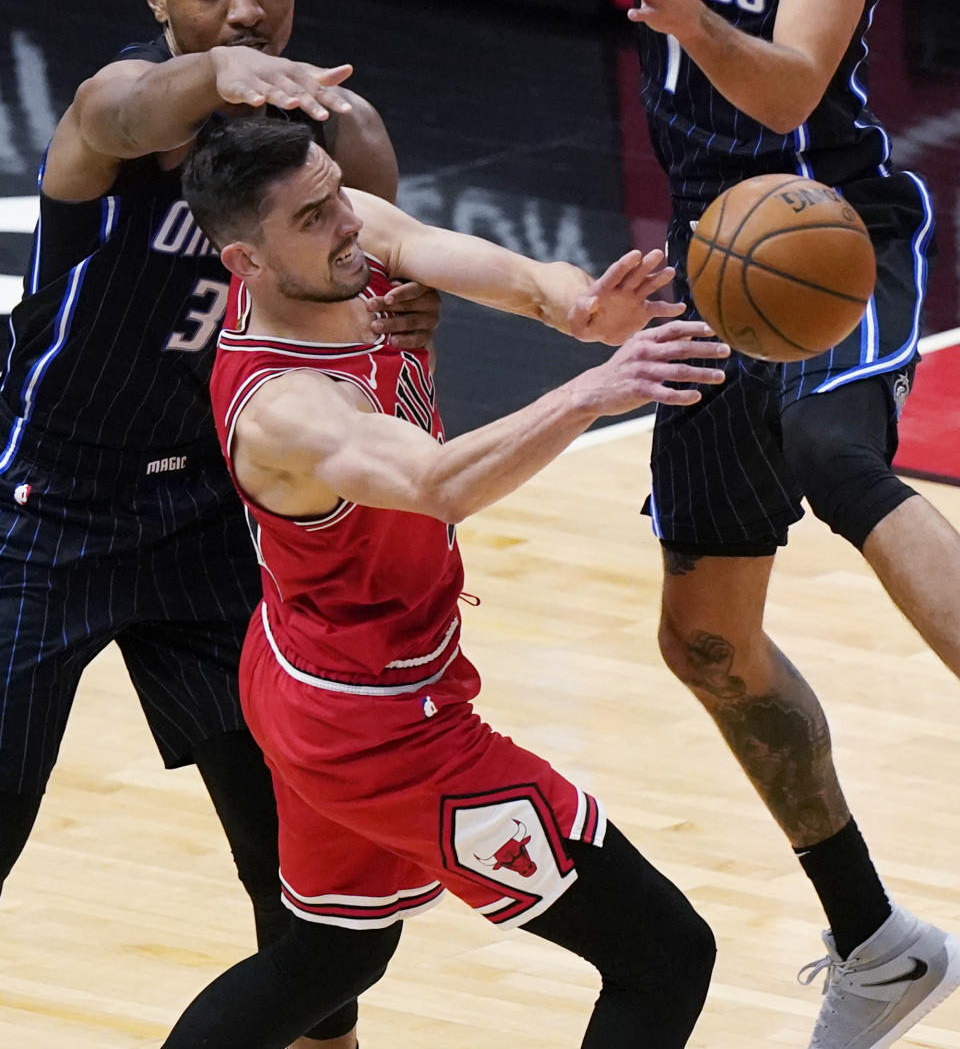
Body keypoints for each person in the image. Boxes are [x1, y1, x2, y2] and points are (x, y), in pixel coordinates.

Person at [470, 0, 960, 1049]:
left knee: (828, 442)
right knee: (706, 638)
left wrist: (691, 16)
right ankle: (878, 940)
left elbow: (797, 73)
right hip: (707, 255)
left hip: (828, 231)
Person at [157, 113, 728, 1048]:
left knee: (329, 956)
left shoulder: (337, 237)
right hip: (381, 728)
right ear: (244, 260)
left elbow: (485, 266)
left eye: (337, 191)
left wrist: (579, 306)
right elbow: (440, 483)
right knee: (666, 954)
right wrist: (591, 390)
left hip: (308, 674)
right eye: (314, 215)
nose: (348, 221)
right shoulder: (289, 406)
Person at [0, 0, 440, 1049]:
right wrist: (224, 72)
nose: (245, 9)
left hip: (205, 520)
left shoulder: (337, 141)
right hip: (41, 506)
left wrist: (411, 312)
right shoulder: (116, 111)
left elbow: (390, 297)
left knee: (302, 864)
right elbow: (134, 108)